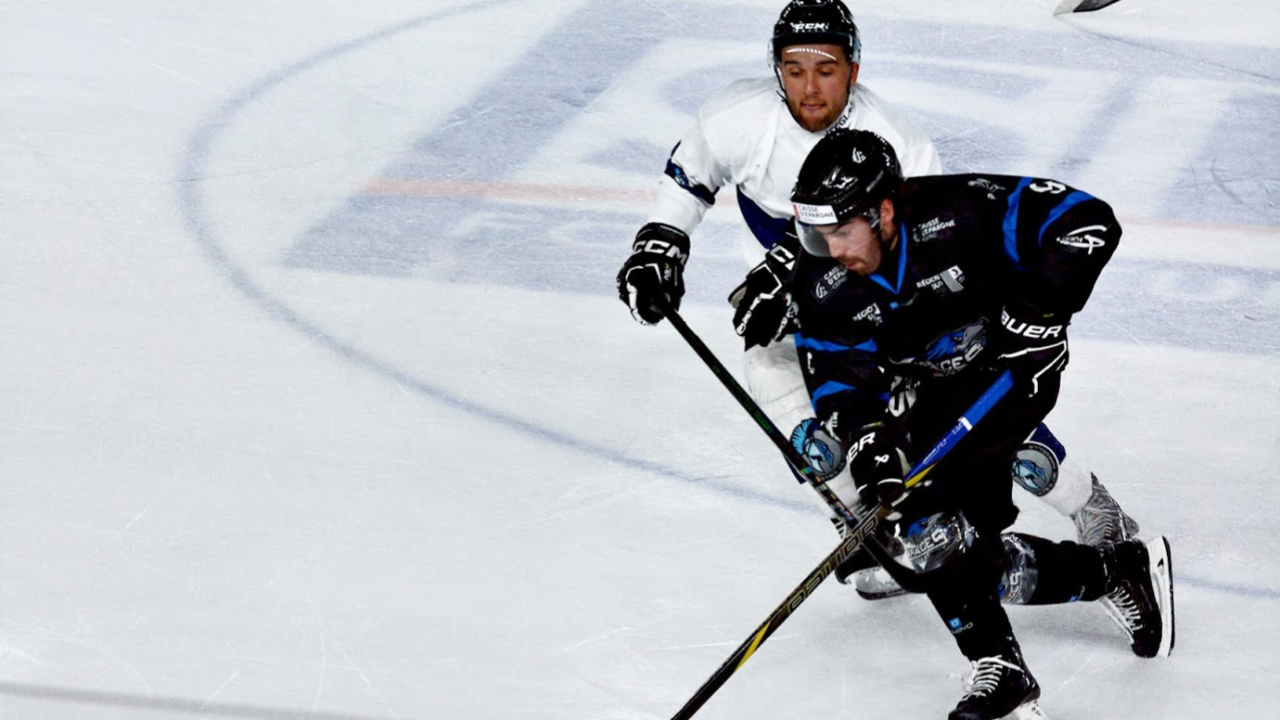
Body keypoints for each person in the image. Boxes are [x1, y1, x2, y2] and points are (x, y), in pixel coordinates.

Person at [614, 0, 1137, 599]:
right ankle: (868, 520)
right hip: (826, 301)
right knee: (773, 368)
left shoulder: (898, 143)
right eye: (793, 69)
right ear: (775, 68)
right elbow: (691, 174)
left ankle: (1087, 502)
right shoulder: (736, 116)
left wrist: (792, 268)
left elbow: (918, 253)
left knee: (950, 401)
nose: (809, 88)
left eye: (826, 69)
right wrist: (661, 241)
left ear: (854, 70)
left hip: (898, 304)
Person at [784, 127, 1174, 719]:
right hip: (925, 391)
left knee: (935, 533)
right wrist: (872, 450)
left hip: (1011, 374)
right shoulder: (823, 279)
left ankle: (1003, 670)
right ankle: (1113, 570)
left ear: (883, 211)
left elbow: (1089, 220)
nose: (829, 248)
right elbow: (838, 381)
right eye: (817, 233)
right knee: (959, 554)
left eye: (841, 230)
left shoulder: (960, 211)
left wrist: (1041, 309)